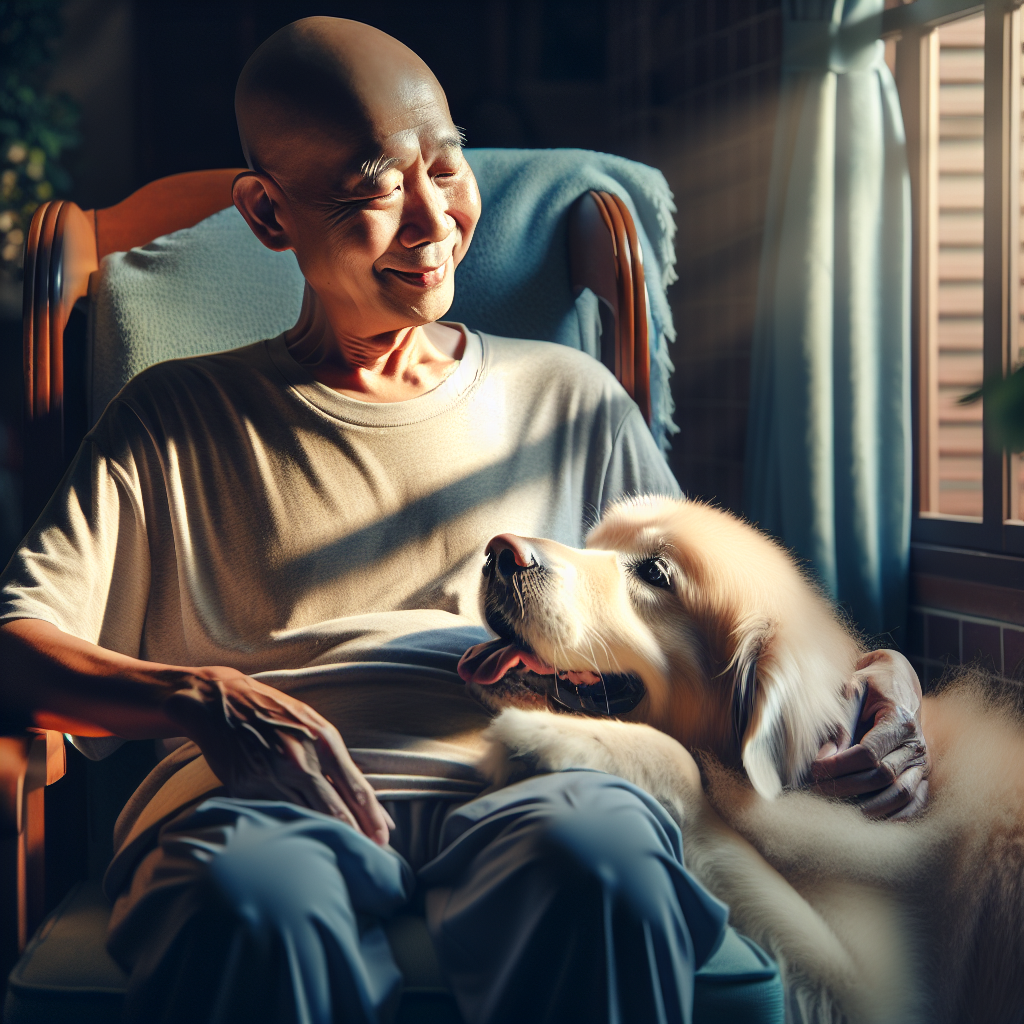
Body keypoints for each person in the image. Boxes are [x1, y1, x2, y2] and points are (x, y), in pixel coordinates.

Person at [0, 17, 928, 1023]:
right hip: (252, 800)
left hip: (547, 770)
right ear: (268, 215)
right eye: (371, 189)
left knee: (605, 870)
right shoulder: (172, 416)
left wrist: (885, 676)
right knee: (251, 904)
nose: (430, 222)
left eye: (443, 166)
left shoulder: (566, 397)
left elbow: (702, 608)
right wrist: (202, 700)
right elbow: (17, 649)